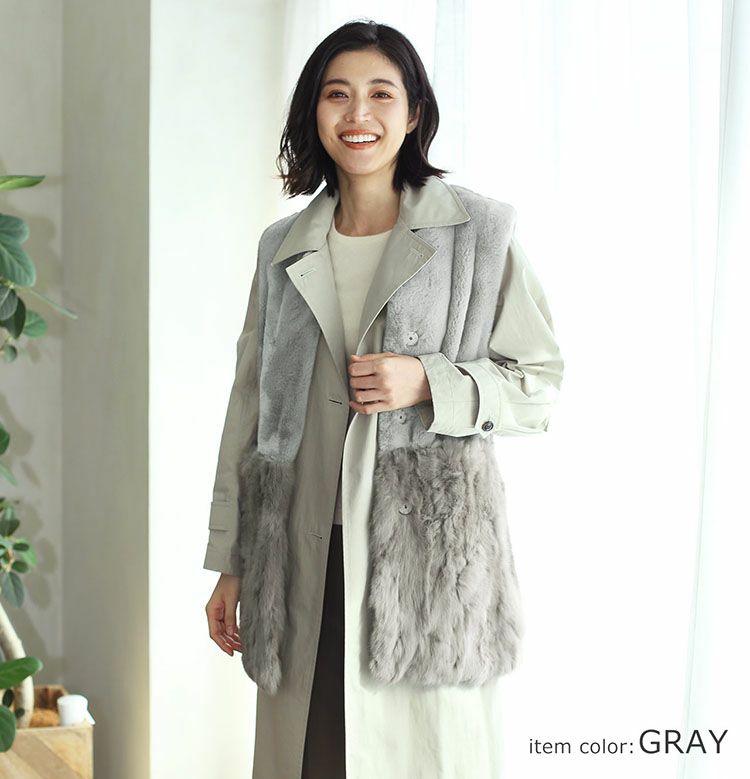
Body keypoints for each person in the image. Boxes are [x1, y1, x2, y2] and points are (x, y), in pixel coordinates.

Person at [204, 18, 564, 779]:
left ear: (415, 112)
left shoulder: (478, 232)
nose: (357, 114)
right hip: (299, 552)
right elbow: (248, 409)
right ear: (313, 111)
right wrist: (230, 560)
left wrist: (432, 381)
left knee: (421, 760)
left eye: (380, 94)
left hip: (424, 564)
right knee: (311, 759)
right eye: (336, 95)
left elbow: (539, 382)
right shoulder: (282, 247)